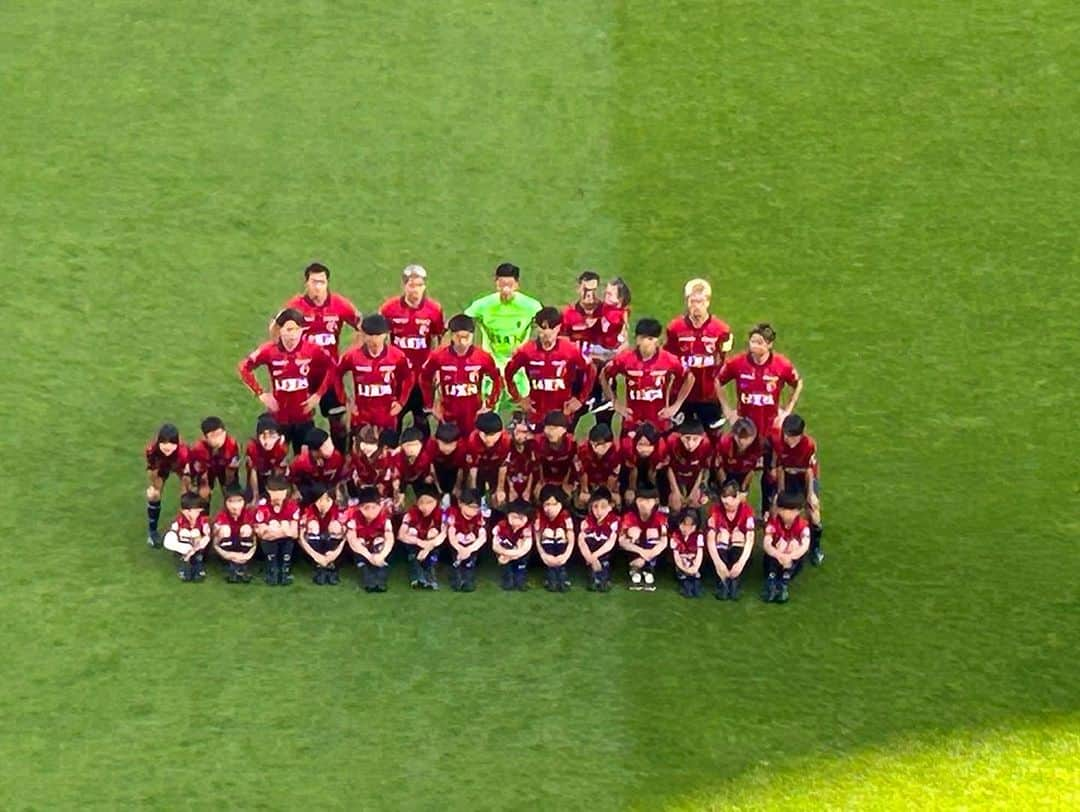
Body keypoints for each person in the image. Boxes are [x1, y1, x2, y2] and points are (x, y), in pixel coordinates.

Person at [278, 262, 361, 451]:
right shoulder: (294, 306)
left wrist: (351, 353)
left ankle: (340, 458)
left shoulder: (339, 304)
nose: (317, 286)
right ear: (306, 283)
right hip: (301, 374)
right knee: (298, 420)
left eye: (322, 282)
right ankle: (303, 461)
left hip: (329, 373)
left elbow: (362, 327)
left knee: (338, 420)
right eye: (314, 282)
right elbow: (277, 329)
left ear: (327, 283)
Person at [239, 307, 336, 453]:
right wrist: (260, 393)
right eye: (289, 329)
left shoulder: (312, 349)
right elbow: (243, 368)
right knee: (275, 457)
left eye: (297, 329)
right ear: (280, 330)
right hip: (279, 416)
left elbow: (333, 367)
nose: (293, 335)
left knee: (304, 459)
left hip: (304, 415)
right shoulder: (269, 350)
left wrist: (318, 395)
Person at [463, 262, 543, 408]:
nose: (506, 290)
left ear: (517, 285)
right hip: (491, 366)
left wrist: (532, 350)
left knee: (526, 410)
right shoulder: (483, 305)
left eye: (510, 285)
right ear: (496, 284)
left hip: (519, 367)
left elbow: (547, 327)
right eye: (502, 285)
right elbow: (462, 323)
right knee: (487, 411)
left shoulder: (531, 306)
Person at [380, 264, 446, 438]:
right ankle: (391, 459)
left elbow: (439, 337)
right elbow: (381, 337)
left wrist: (438, 367)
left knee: (422, 419)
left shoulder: (434, 310)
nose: (415, 290)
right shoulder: (389, 309)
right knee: (394, 419)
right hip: (398, 376)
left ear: (424, 286)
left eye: (419, 285)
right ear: (404, 286)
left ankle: (422, 459)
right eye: (411, 285)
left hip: (422, 376)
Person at [503, 307, 596, 428]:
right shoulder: (526, 351)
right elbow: (509, 372)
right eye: (543, 328)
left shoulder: (570, 350)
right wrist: (518, 398)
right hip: (536, 413)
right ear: (537, 328)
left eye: (552, 328)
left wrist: (580, 399)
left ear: (559, 328)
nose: (547, 333)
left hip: (563, 413)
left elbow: (591, 370)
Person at [602, 318, 692, 435]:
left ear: (658, 340)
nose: (646, 343)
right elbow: (604, 375)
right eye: (642, 338)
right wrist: (615, 403)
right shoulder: (624, 359)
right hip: (632, 421)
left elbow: (689, 378)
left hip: (659, 421)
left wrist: (676, 405)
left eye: (650, 339)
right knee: (627, 451)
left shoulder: (669, 360)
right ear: (637, 340)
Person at [664, 279, 732, 432]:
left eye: (700, 301)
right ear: (687, 302)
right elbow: (668, 362)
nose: (696, 306)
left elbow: (724, 363)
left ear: (708, 302)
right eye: (692, 301)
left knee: (714, 438)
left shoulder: (722, 330)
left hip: (709, 397)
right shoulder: (674, 328)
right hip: (681, 395)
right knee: (678, 436)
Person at [716, 322, 803, 440]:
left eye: (760, 343)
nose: (755, 346)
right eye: (753, 342)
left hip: (771, 428)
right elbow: (717, 381)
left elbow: (797, 383)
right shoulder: (737, 363)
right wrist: (727, 411)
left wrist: (787, 411)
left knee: (771, 457)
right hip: (744, 427)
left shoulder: (781, 365)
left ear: (770, 344)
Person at [418, 314, 502, 436]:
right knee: (448, 449)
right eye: (458, 337)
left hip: (473, 415)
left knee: (472, 448)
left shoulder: (483, 357)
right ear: (451, 335)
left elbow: (497, 379)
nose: (462, 342)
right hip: (448, 415)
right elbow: (424, 378)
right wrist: (430, 404)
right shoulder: (439, 357)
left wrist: (490, 404)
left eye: (466, 337)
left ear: (473, 335)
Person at [338, 313, 414, 435]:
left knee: (387, 450)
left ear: (386, 335)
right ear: (363, 335)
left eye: (378, 335)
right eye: (370, 336)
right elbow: (337, 374)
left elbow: (408, 377)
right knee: (361, 449)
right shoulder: (352, 356)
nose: (374, 340)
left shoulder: (397, 356)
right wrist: (346, 400)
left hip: (387, 414)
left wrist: (401, 402)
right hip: (361, 414)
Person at [562, 270, 617, 425]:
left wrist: (601, 357)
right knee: (568, 426)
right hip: (577, 381)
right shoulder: (568, 314)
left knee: (604, 428)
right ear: (578, 288)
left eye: (593, 290)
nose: (589, 295)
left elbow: (621, 349)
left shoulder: (610, 314)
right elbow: (562, 349)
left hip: (603, 380)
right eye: (586, 289)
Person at [769, 413, 824, 565]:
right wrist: (780, 493)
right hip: (787, 476)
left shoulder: (809, 445)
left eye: (793, 437)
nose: (789, 440)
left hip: (804, 476)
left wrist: (811, 493)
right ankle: (775, 544)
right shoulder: (779, 442)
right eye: (787, 436)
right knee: (776, 508)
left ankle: (815, 547)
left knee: (814, 511)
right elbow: (780, 467)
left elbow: (809, 471)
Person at [707, 479, 756, 600]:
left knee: (738, 534)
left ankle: (734, 579)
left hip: (737, 546)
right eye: (724, 504)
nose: (726, 507)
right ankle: (722, 580)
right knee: (722, 534)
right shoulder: (715, 510)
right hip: (721, 546)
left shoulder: (747, 511)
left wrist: (741, 563)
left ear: (737, 498)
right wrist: (718, 563)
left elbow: (750, 539)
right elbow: (710, 538)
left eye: (729, 504)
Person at [144, 423, 191, 548]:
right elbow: (152, 473)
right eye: (164, 443)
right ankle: (152, 531)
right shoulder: (152, 451)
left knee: (186, 497)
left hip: (180, 466)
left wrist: (186, 488)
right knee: (153, 493)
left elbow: (187, 477)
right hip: (162, 466)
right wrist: (155, 485)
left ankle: (183, 527)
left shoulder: (184, 453)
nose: (167, 447)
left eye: (171, 443)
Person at [762, 491, 811, 603]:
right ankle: (771, 582)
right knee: (780, 544)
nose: (787, 514)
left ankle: (783, 584)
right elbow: (767, 543)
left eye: (792, 510)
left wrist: (790, 557)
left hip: (792, 562)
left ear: (799, 511)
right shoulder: (773, 523)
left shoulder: (802, 525)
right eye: (784, 509)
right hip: (773, 561)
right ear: (778, 509)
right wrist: (779, 554)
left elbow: (804, 546)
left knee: (793, 544)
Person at [253, 475, 300, 586]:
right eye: (274, 491)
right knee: (273, 527)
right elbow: (261, 533)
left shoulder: (292, 506)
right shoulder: (263, 505)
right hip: (268, 542)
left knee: (284, 527)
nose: (278, 495)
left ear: (286, 491)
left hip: (285, 540)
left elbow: (294, 533)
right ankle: (272, 568)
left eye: (281, 491)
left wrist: (279, 531)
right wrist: (281, 531)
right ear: (268, 490)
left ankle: (285, 569)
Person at [346, 486, 394, 592]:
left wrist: (381, 556)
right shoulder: (354, 517)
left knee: (381, 542)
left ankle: (381, 579)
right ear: (360, 508)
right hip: (362, 549)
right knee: (359, 542)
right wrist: (369, 557)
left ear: (380, 506)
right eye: (366, 508)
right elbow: (352, 540)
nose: (371, 511)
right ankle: (367, 577)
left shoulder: (385, 517)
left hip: (377, 547)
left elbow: (390, 539)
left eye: (374, 507)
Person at [619, 486, 668, 591]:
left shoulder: (660, 517)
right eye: (641, 500)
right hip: (635, 552)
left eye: (648, 501)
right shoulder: (629, 516)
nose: (644, 504)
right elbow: (622, 541)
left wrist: (645, 558)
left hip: (651, 554)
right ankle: (634, 568)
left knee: (653, 532)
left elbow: (664, 542)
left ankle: (649, 568)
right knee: (633, 531)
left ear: (655, 502)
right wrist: (641, 552)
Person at [398, 484, 446, 589]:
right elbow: (401, 535)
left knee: (433, 533)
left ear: (436, 501)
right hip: (415, 545)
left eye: (429, 502)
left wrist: (428, 547)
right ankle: (418, 578)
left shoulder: (442, 515)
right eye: (421, 502)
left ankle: (431, 579)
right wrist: (419, 542)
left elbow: (443, 535)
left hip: (433, 546)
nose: (425, 507)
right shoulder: (410, 514)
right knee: (411, 533)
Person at [298, 483, 347, 585]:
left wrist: (333, 555)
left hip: (333, 550)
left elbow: (346, 537)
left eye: (327, 500)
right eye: (319, 500)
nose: (323, 504)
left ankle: (331, 566)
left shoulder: (339, 512)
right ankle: (319, 567)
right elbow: (300, 538)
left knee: (336, 526)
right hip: (314, 550)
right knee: (312, 526)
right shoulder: (308, 512)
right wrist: (317, 557)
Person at [187, 416, 241, 507]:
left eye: (220, 434)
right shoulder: (198, 450)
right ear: (205, 437)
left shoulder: (232, 445)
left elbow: (231, 472)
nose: (218, 439)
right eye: (213, 436)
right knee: (203, 495)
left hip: (225, 467)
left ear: (225, 432)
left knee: (232, 492)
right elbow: (202, 475)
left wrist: (229, 490)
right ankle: (203, 516)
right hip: (206, 469)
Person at [346, 425, 401, 511]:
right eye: (363, 444)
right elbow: (352, 473)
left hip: (382, 496)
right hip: (362, 494)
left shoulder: (387, 458)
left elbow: (393, 478)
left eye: (371, 445)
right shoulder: (357, 456)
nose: (366, 448)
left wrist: (389, 488)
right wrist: (358, 482)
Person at [211, 484, 257, 583]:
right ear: (225, 503)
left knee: (247, 528)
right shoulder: (222, 515)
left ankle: (242, 565)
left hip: (243, 548)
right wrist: (228, 555)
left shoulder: (248, 514)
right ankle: (231, 565)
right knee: (224, 529)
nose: (235, 506)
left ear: (244, 502)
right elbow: (215, 540)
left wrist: (248, 555)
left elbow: (254, 538)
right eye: (231, 501)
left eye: (239, 501)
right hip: (227, 549)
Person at [290, 427, 348, 505]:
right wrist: (296, 491)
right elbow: (292, 478)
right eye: (325, 447)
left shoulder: (336, 457)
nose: (331, 448)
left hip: (328, 487)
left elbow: (339, 476)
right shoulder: (301, 462)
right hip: (309, 488)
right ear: (314, 451)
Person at [464, 412, 510, 508]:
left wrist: (500, 489)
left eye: (492, 435)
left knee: (499, 499)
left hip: (496, 469)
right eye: (484, 434)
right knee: (473, 497)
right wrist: (473, 491)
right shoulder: (473, 439)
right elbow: (473, 467)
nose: (488, 439)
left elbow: (503, 465)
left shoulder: (506, 440)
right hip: (479, 469)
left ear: (500, 432)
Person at [577, 487, 620, 592]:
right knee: (592, 581)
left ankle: (604, 573)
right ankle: (593, 574)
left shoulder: (614, 522)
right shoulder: (586, 522)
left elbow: (610, 543)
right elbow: (581, 541)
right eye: (595, 507)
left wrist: (594, 556)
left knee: (604, 566)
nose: (599, 511)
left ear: (610, 506)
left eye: (603, 507)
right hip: (590, 556)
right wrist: (590, 558)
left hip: (604, 555)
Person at [535, 484, 576, 592]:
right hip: (547, 550)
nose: (551, 508)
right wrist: (544, 555)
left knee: (559, 532)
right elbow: (537, 536)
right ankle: (550, 572)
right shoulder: (539, 515)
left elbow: (571, 537)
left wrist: (565, 556)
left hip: (561, 550)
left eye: (555, 504)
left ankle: (562, 571)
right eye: (547, 504)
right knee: (548, 532)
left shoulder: (565, 515)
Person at [162, 492, 210, 582]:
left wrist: (195, 549)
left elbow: (207, 536)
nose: (198, 513)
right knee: (184, 533)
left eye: (197, 511)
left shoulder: (202, 521)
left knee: (196, 533)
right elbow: (171, 535)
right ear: (184, 511)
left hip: (198, 547)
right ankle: (185, 564)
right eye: (195, 511)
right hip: (185, 546)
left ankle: (197, 565)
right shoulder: (179, 521)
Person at [445, 488, 487, 592]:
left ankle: (468, 579)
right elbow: (451, 534)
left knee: (470, 564)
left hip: (471, 547)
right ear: (460, 503)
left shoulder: (479, 516)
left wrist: (469, 550)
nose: (473, 511)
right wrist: (459, 549)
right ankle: (456, 578)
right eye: (470, 507)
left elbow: (482, 537)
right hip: (454, 546)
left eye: (476, 508)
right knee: (457, 564)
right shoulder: (453, 513)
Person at [666, 418, 712, 512]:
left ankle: (694, 521)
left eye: (695, 439)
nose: (690, 444)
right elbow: (669, 468)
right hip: (676, 475)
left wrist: (695, 491)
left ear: (702, 437)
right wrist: (675, 491)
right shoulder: (672, 441)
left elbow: (702, 470)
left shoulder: (706, 445)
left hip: (694, 477)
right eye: (687, 438)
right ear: (680, 436)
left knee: (695, 502)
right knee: (675, 505)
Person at [712, 417, 764, 499]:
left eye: (748, 439)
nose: (743, 443)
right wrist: (725, 486)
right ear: (734, 434)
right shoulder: (725, 443)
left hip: (744, 472)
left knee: (740, 498)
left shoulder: (758, 446)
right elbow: (718, 467)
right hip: (727, 471)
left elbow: (753, 469)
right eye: (739, 439)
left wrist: (743, 489)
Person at [574, 423, 622, 511]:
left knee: (616, 501)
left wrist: (607, 493)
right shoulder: (583, 451)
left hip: (606, 482)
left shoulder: (617, 452)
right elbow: (582, 472)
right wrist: (584, 490)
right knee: (581, 501)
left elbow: (614, 475)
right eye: (596, 445)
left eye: (604, 445)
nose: (600, 449)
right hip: (589, 482)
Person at [620, 422, 670, 504]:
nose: (644, 449)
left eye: (648, 445)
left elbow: (654, 471)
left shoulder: (661, 448)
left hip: (652, 467)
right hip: (633, 468)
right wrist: (631, 489)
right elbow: (632, 469)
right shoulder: (627, 446)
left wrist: (655, 490)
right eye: (641, 444)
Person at [244, 413, 289, 503]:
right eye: (263, 436)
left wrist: (274, 489)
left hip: (272, 473)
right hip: (257, 474)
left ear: (279, 436)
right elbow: (253, 471)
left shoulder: (281, 448)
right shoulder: (252, 447)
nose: (267, 441)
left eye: (272, 436)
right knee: (250, 499)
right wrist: (255, 495)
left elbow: (279, 472)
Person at [531, 411, 576, 498]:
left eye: (554, 429)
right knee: (537, 494)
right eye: (548, 428)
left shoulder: (572, 443)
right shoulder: (538, 442)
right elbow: (538, 463)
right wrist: (541, 482)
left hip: (565, 479)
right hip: (546, 479)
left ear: (564, 429)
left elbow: (573, 465)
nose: (550, 432)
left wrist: (566, 483)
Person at [492, 500, 533, 591]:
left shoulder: (527, 529)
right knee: (508, 582)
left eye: (521, 518)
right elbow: (495, 545)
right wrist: (503, 554)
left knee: (520, 579)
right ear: (508, 515)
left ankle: (521, 577)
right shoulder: (501, 526)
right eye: (514, 517)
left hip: (520, 555)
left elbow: (525, 548)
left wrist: (510, 556)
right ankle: (507, 578)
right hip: (504, 554)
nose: (516, 521)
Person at [670, 508, 705, 598]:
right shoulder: (675, 536)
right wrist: (684, 569)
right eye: (684, 524)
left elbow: (700, 553)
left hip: (694, 564)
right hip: (682, 564)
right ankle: (685, 584)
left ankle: (696, 583)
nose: (687, 529)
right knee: (685, 581)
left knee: (696, 584)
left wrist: (695, 567)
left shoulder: (698, 536)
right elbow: (676, 556)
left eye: (691, 526)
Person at [431, 422, 467, 499]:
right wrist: (437, 488)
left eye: (451, 445)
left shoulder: (462, 448)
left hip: (454, 468)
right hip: (439, 467)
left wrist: (457, 486)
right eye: (443, 444)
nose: (447, 448)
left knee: (454, 491)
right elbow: (431, 467)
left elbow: (461, 469)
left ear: (457, 442)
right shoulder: (431, 444)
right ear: (437, 441)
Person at [397, 427, 436, 496]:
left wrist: (430, 475)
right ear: (402, 446)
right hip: (407, 477)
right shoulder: (399, 457)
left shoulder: (428, 456)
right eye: (408, 445)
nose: (412, 449)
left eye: (415, 445)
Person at [505, 413, 534, 503]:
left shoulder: (532, 446)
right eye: (518, 432)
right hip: (509, 485)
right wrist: (511, 489)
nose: (521, 436)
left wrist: (528, 490)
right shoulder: (506, 446)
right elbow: (504, 469)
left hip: (528, 484)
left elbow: (533, 469)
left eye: (524, 432)